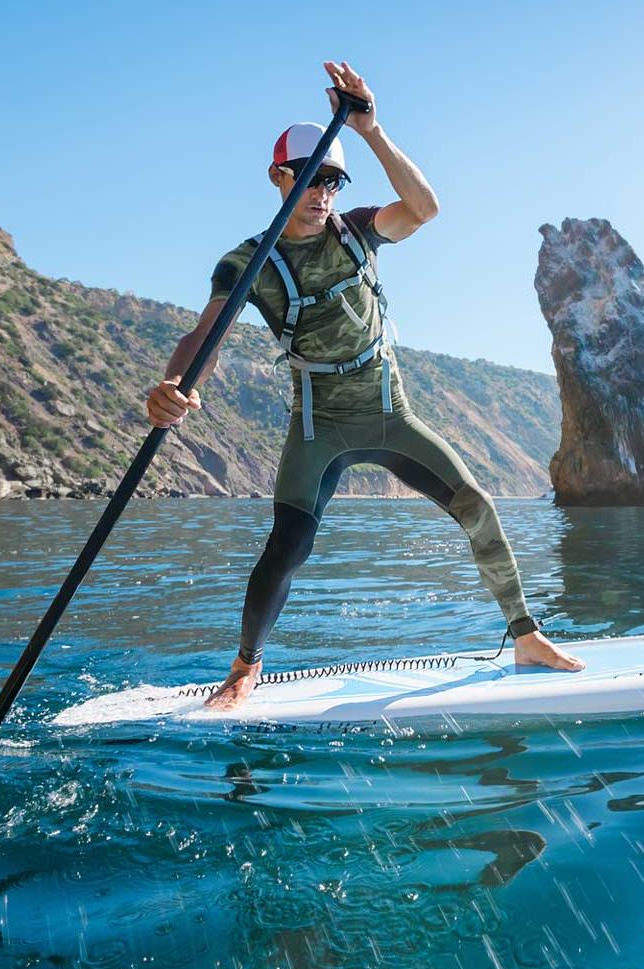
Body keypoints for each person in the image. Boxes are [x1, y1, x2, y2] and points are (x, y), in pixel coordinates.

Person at [145, 61, 584, 710]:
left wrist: (371, 130)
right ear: (279, 177)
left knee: (477, 507)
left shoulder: (358, 230)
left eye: (333, 179)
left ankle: (526, 636)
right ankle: (245, 668)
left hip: (388, 414)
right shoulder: (249, 262)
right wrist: (173, 386)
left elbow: (425, 209)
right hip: (318, 428)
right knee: (288, 545)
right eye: (311, 178)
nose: (324, 191)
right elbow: (203, 337)